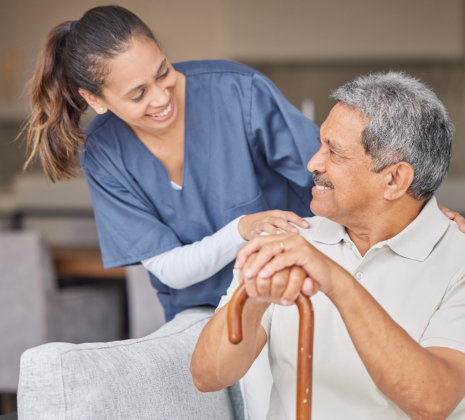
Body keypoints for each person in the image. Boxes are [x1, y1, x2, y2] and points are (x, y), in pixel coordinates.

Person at [191, 72, 465, 419]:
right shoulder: (288, 241)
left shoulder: (457, 259)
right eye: (320, 144)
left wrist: (336, 281)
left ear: (394, 179)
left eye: (333, 152)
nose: (313, 163)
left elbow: (433, 401)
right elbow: (207, 376)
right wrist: (254, 299)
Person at [23, 5, 320, 322]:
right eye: (138, 94)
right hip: (201, 313)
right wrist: (241, 229)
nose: (162, 98)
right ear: (95, 100)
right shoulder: (104, 152)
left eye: (163, 72)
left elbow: (335, 184)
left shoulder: (238, 92)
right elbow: (170, 270)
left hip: (294, 291)